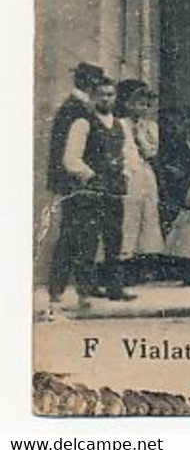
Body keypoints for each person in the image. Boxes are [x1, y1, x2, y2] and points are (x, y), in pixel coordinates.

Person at [46, 64, 125, 310]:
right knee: (77, 237)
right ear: (90, 85)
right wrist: (90, 175)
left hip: (84, 183)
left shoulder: (82, 108)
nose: (102, 95)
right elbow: (71, 155)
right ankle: (64, 291)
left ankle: (72, 290)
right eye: (97, 87)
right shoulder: (79, 111)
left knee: (80, 238)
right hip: (78, 184)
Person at [114, 80, 165, 271]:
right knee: (129, 214)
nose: (142, 108)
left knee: (148, 213)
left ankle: (142, 261)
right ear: (126, 103)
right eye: (137, 103)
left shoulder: (150, 127)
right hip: (128, 172)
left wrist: (140, 136)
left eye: (145, 104)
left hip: (145, 173)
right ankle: (124, 259)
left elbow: (151, 152)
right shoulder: (119, 123)